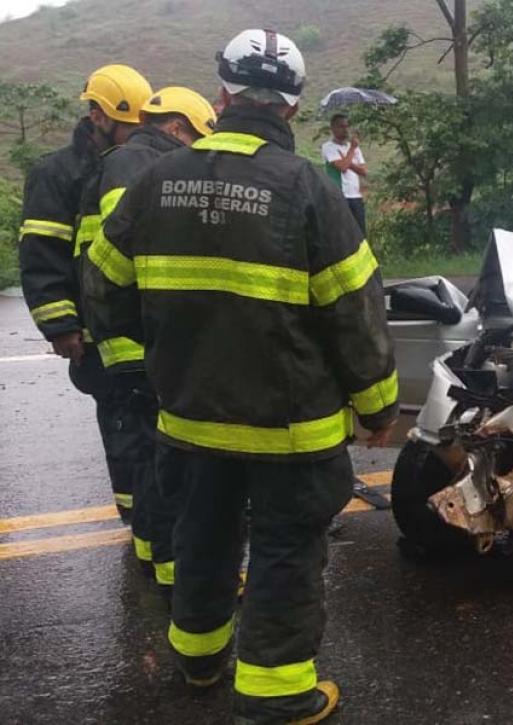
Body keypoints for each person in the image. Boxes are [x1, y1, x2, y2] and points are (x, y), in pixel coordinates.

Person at [89, 29, 398, 723]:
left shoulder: (154, 181)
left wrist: (165, 347)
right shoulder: (307, 190)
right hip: (290, 429)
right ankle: (276, 691)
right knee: (286, 548)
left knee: (201, 533)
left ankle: (198, 659)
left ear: (222, 96)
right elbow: (356, 311)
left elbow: (103, 286)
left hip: (188, 416)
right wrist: (378, 405)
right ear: (293, 107)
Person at [83, 86, 217, 589]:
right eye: (197, 139)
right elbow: (132, 254)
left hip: (129, 335)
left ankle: (150, 554)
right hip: (142, 338)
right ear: (178, 128)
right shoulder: (141, 167)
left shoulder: (125, 161)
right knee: (166, 460)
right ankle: (172, 570)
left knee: (147, 456)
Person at [18, 64, 152, 523]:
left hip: (136, 324)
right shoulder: (57, 173)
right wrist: (61, 326)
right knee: (122, 425)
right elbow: (42, 254)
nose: (137, 139)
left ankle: (152, 518)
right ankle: (139, 521)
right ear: (98, 116)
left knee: (147, 426)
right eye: (130, 128)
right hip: (92, 331)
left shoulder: (132, 165)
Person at [321, 112, 368, 236]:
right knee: (342, 234)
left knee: (360, 234)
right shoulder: (328, 147)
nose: (345, 130)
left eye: (347, 126)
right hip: (340, 195)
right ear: (333, 128)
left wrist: (348, 160)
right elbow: (342, 167)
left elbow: (364, 171)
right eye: (341, 126)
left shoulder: (355, 147)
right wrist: (351, 150)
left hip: (356, 196)